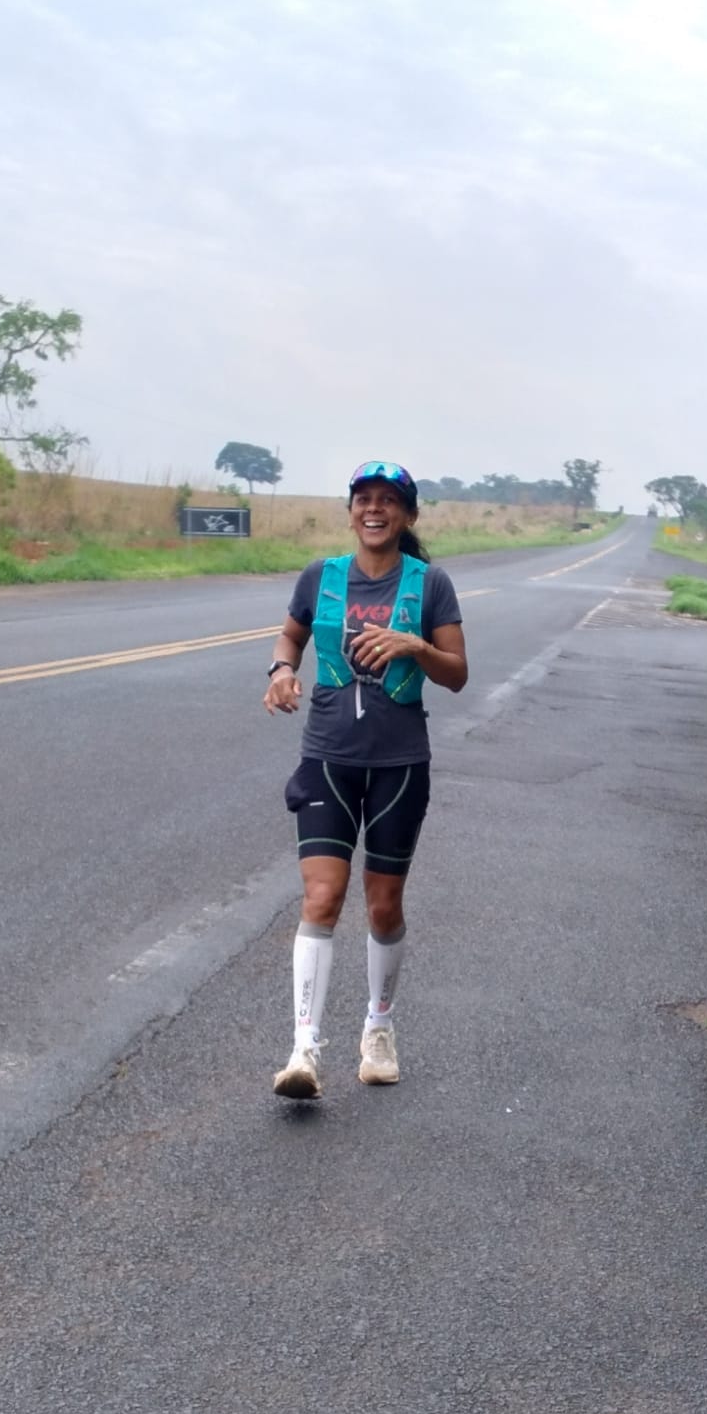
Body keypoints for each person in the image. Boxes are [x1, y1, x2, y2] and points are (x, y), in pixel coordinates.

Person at [262, 460, 468, 1099]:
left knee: (382, 906)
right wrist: (280, 671)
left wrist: (416, 647)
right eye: (364, 499)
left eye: (388, 501)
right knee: (322, 898)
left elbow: (457, 674)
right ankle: (303, 1050)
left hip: (398, 766)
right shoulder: (320, 577)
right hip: (328, 756)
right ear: (351, 512)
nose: (374, 509)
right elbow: (290, 637)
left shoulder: (430, 584)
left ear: (407, 516)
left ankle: (378, 1028)